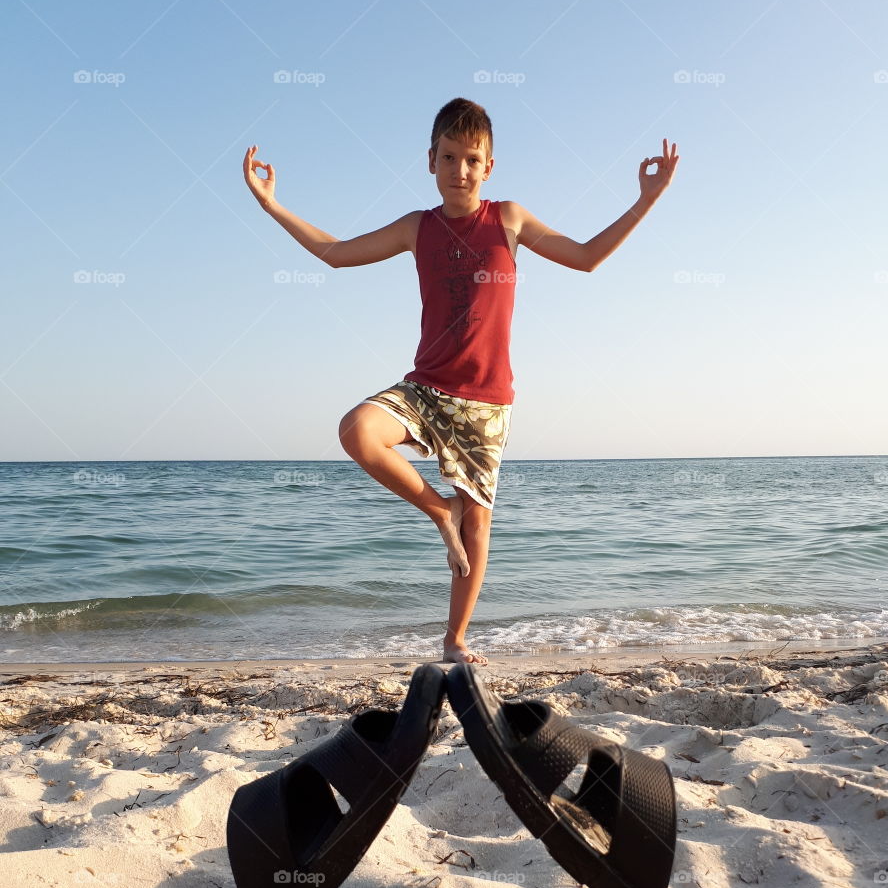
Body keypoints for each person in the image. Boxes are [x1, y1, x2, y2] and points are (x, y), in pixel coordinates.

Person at [243, 98, 679, 665]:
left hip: (486, 403)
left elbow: (588, 257)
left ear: (489, 166)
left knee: (478, 527)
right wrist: (272, 203)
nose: (461, 170)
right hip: (424, 388)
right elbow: (336, 254)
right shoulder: (415, 227)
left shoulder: (510, 219)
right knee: (356, 431)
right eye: (449, 157)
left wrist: (646, 200)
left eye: (473, 159)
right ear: (431, 161)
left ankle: (454, 640)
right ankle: (436, 511)